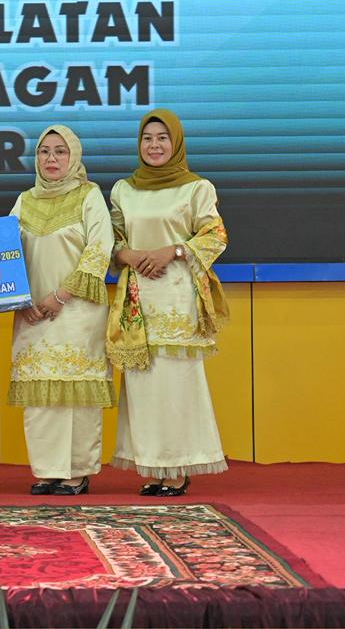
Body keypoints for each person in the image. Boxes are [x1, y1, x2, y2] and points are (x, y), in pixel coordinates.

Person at [107, 109, 230, 496]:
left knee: (176, 386)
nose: (154, 145)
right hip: (137, 300)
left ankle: (178, 468)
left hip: (178, 298)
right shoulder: (123, 190)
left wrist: (172, 251)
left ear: (175, 143)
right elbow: (111, 241)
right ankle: (154, 468)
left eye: (162, 138)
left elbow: (215, 236)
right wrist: (130, 255)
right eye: (147, 138)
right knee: (143, 387)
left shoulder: (197, 188)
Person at [8, 125, 115, 496]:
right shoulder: (25, 200)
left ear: (74, 156)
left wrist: (62, 295)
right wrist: (19, 300)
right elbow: (7, 255)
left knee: (76, 394)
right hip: (32, 314)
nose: (51, 159)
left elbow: (99, 250)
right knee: (40, 398)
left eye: (60, 151)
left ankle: (77, 472)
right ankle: (48, 470)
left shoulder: (89, 195)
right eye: (44, 151)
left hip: (77, 312)